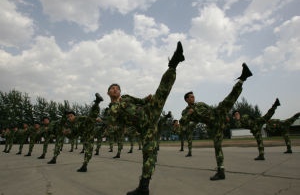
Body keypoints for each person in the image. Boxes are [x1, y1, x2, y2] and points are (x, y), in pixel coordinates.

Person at [106, 41, 185, 195]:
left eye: (117, 88)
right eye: (112, 89)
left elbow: (141, 101)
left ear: (120, 92)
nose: (115, 89)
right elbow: (116, 125)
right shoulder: (112, 110)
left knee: (162, 90)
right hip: (145, 127)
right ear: (108, 93)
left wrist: (147, 98)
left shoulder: (127, 97)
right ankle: (144, 187)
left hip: (148, 111)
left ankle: (174, 63)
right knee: (149, 155)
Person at [180, 63, 253, 181]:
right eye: (191, 97)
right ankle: (221, 171)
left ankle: (242, 79)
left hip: (217, 115)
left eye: (194, 96)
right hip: (213, 126)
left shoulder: (200, 104)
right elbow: (182, 122)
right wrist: (189, 114)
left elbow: (211, 109)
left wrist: (224, 115)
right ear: (186, 100)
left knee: (228, 100)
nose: (193, 98)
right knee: (217, 147)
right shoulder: (186, 110)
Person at [67, 93, 103, 172]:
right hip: (86, 136)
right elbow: (73, 135)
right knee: (88, 151)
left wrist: (96, 119)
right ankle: (85, 165)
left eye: (71, 116)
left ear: (74, 116)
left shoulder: (79, 118)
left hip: (89, 128)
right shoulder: (72, 126)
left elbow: (88, 118)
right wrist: (66, 133)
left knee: (91, 116)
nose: (70, 118)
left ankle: (97, 102)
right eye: (68, 117)